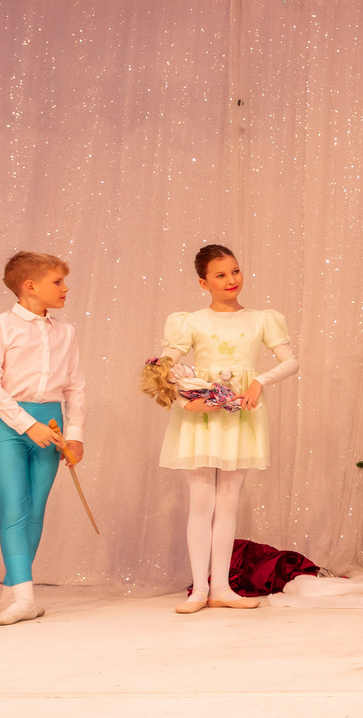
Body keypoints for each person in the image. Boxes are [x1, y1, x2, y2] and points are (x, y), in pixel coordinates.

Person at [141, 244, 299, 614]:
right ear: (204, 282)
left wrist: (259, 380)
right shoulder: (191, 321)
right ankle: (199, 588)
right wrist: (186, 402)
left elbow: (291, 361)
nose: (231, 280)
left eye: (235, 271)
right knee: (201, 501)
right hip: (201, 417)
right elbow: (161, 368)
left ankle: (222, 588)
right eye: (220, 275)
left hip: (240, 415)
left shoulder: (261, 319)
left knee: (228, 501)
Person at [0, 251, 86, 626]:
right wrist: (27, 425)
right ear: (30, 286)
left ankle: (15, 593)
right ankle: (24, 596)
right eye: (58, 282)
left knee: (35, 510)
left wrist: (75, 435)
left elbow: (74, 387)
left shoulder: (65, 331)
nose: (66, 288)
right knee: (13, 507)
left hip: (52, 426)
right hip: (8, 426)